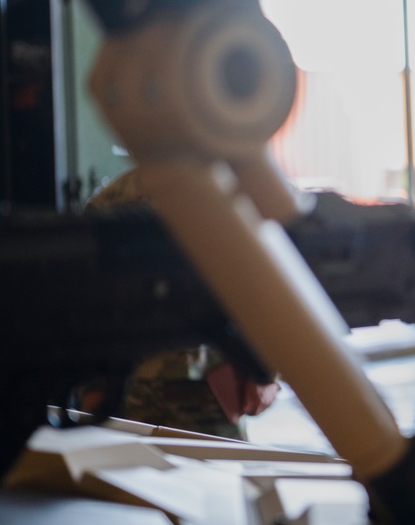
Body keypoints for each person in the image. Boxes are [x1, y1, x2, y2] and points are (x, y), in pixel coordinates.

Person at [86, 168, 280, 440]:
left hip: (208, 382)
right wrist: (91, 384)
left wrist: (264, 371)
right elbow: (89, 299)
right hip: (126, 385)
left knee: (217, 478)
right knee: (123, 477)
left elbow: (263, 283)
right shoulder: (112, 201)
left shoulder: (223, 191)